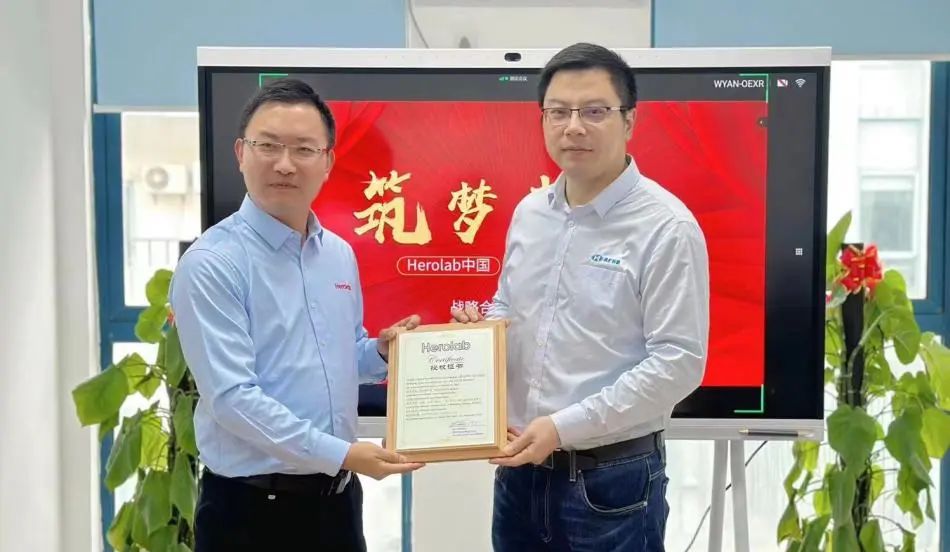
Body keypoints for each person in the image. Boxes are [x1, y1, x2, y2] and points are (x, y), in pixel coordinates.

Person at [453, 43, 710, 551]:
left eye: (594, 111)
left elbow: (679, 364)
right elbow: (509, 305)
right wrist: (482, 335)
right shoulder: (530, 213)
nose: (573, 127)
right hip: (519, 472)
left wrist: (562, 427)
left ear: (629, 120)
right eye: (558, 111)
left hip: (611, 481)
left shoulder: (666, 227)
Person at [170, 78, 423, 552]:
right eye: (268, 145)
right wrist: (343, 453)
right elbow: (233, 399)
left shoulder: (338, 255)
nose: (285, 164)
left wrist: (381, 352)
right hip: (251, 512)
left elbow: (341, 356)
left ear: (327, 161)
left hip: (338, 505)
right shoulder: (212, 263)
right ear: (241, 153)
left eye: (304, 149)